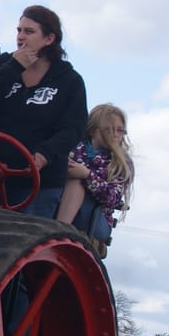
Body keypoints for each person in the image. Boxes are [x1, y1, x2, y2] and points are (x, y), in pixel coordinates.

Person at [0, 5, 88, 217]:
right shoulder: (3, 66)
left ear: (49, 39)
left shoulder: (70, 81)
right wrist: (14, 67)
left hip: (39, 184)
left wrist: (45, 154)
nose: (20, 37)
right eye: (19, 30)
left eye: (29, 31)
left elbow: (73, 128)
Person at [55, 103, 133, 246]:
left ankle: (57, 232)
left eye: (120, 130)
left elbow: (112, 198)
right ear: (92, 131)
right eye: (108, 130)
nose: (115, 135)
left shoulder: (121, 163)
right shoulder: (73, 149)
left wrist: (87, 175)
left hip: (97, 219)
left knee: (76, 183)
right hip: (60, 202)